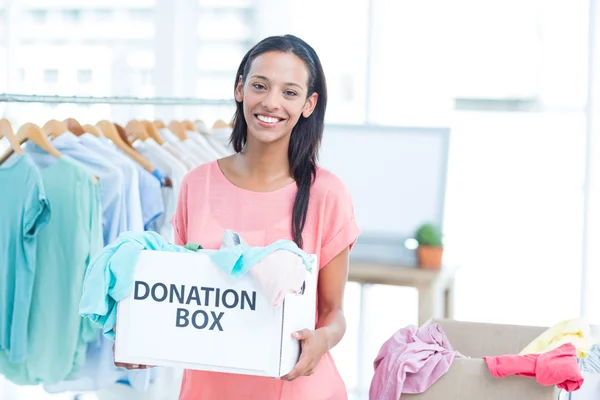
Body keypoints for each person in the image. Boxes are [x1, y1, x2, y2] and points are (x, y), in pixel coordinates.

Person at [117, 34, 361, 400]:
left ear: (309, 104)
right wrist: (144, 338)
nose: (271, 102)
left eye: (289, 93)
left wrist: (321, 341)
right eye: (260, 86)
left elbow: (332, 313)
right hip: (208, 390)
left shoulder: (327, 193)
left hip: (298, 391)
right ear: (240, 89)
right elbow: (183, 297)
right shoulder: (196, 184)